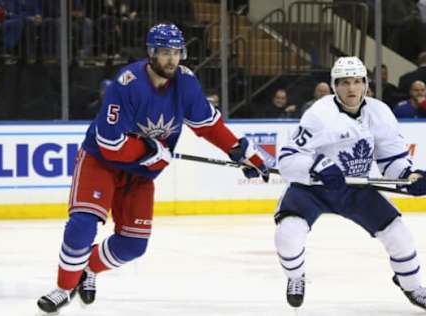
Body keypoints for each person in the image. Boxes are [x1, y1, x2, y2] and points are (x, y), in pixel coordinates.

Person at [36, 23, 269, 315]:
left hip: (141, 175)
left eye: (176, 52)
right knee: (82, 225)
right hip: (101, 163)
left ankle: (87, 269)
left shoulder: (186, 82)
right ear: (150, 53)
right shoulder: (127, 83)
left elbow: (209, 125)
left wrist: (245, 154)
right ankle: (63, 288)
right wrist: (148, 149)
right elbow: (110, 144)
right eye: (164, 52)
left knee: (132, 245)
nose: (172, 59)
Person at [274, 56, 426, 311]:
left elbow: (392, 160)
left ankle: (413, 286)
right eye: (344, 83)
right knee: (288, 234)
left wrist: (410, 177)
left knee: (399, 235)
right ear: (334, 85)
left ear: (365, 84)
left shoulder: (380, 113)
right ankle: (295, 277)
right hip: (313, 189)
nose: (351, 89)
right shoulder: (319, 114)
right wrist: (318, 165)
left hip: (356, 189)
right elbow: (287, 159)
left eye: (356, 82)